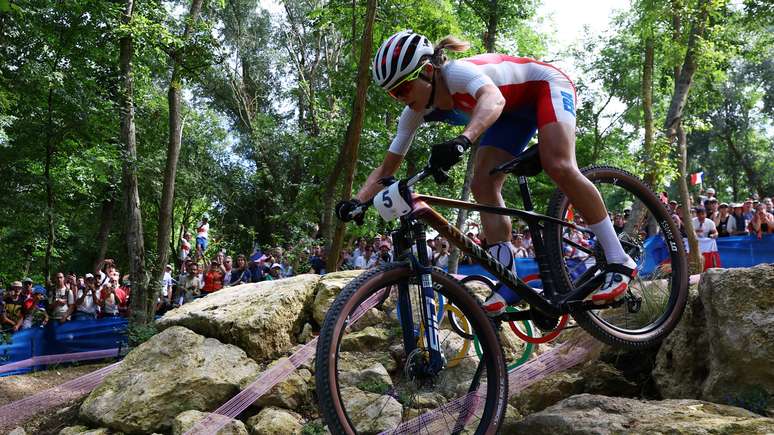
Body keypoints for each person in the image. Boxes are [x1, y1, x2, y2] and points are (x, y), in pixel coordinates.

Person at [335, 30, 637, 315]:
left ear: (427, 71)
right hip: (510, 115)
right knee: (483, 183)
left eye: (402, 89)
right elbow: (387, 167)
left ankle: (618, 259)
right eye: (392, 95)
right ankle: (508, 280)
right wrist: (359, 200)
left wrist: (462, 140)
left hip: (544, 87)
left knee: (557, 163)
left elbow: (493, 99)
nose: (400, 98)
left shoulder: (457, 73)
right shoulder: (415, 112)